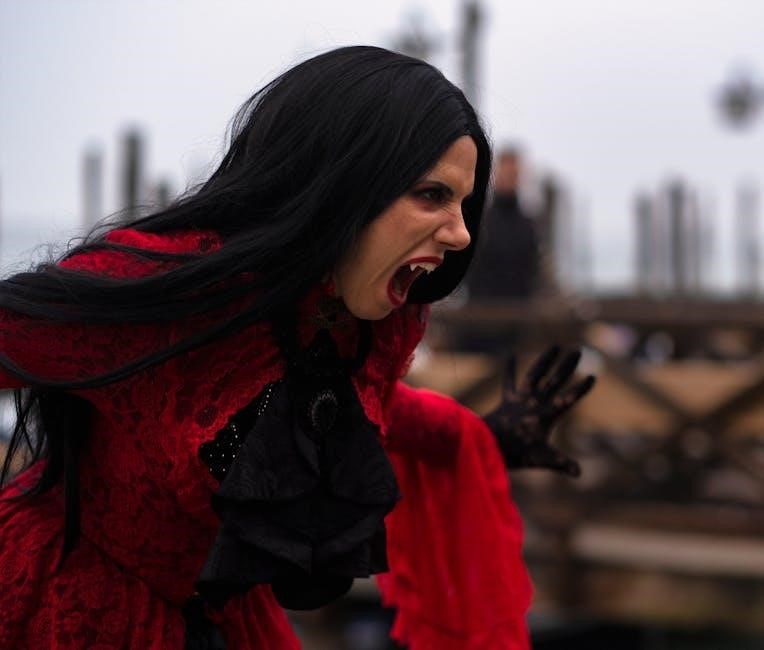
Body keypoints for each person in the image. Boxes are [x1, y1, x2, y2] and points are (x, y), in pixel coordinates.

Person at [0, 46, 592, 649]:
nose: (462, 233)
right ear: (344, 181)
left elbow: (353, 413)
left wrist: (486, 438)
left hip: (219, 618)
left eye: (464, 203)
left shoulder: (348, 324)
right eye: (432, 194)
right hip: (70, 609)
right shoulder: (176, 290)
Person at [467, 147, 540, 301]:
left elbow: (535, 270)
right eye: (505, 173)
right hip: (480, 310)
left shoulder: (529, 225)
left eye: (513, 174)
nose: (509, 178)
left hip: (520, 310)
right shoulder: (479, 221)